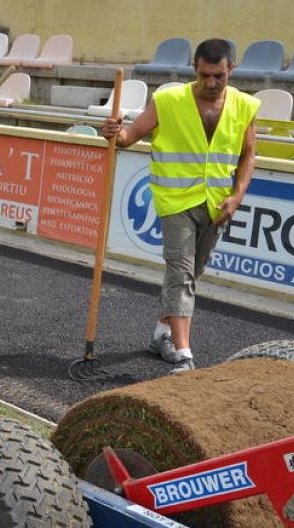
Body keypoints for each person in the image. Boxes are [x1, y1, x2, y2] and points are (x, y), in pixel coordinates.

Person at [100, 38, 257, 374]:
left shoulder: (245, 106)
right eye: (204, 75)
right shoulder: (168, 99)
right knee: (181, 273)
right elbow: (130, 137)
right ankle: (185, 356)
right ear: (194, 69)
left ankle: (162, 334)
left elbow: (248, 155)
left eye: (219, 76)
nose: (211, 83)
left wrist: (237, 195)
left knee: (191, 274)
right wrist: (115, 133)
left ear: (232, 69)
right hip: (175, 202)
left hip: (216, 205)